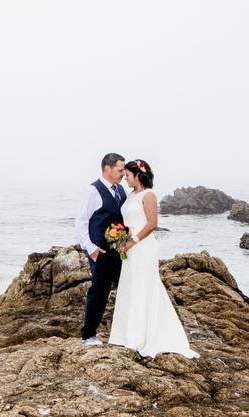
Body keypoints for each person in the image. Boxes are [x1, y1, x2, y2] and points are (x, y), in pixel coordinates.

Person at [108, 159, 198, 358]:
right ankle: (124, 335)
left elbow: (152, 224)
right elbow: (128, 221)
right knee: (129, 287)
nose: (125, 179)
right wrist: (120, 237)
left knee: (143, 287)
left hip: (143, 248)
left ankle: (140, 337)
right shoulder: (130, 195)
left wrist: (132, 241)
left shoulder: (149, 195)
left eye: (128, 176)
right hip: (129, 248)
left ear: (138, 175)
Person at [74, 152, 127, 344]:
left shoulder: (121, 190)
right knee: (99, 292)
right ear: (107, 168)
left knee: (125, 290)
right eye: (120, 170)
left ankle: (123, 332)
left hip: (119, 252)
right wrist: (91, 248)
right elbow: (81, 222)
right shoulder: (92, 191)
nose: (123, 173)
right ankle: (88, 335)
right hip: (100, 252)